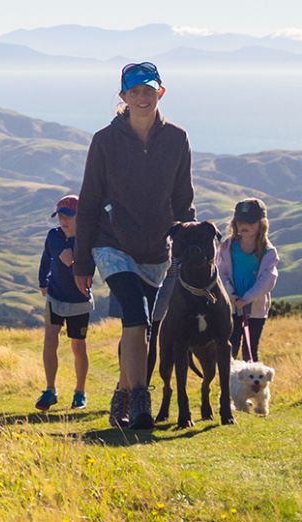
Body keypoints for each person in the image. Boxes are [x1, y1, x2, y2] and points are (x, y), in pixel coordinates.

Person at [73, 62, 196, 429]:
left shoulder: (177, 138)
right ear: (123, 96)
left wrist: (184, 246)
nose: (142, 98)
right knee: (135, 314)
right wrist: (83, 264)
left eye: (148, 90)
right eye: (134, 91)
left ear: (160, 93)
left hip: (157, 249)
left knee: (140, 329)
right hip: (111, 244)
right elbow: (90, 201)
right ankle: (142, 400)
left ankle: (121, 395)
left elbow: (183, 198)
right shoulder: (105, 141)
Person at [35, 195, 92, 411]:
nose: (63, 220)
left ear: (80, 217)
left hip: (79, 299)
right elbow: (45, 258)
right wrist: (43, 281)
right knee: (50, 341)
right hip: (55, 296)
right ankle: (50, 390)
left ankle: (80, 393)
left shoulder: (87, 240)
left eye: (68, 216)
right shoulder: (53, 236)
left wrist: (74, 262)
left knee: (78, 346)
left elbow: (92, 267)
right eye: (60, 216)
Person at [217, 198, 279, 361]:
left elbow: (267, 280)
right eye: (240, 221)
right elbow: (221, 273)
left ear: (261, 224)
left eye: (250, 222)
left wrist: (247, 299)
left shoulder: (268, 252)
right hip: (232, 305)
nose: (244, 226)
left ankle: (252, 385)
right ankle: (230, 384)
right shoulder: (227, 247)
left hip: (256, 308)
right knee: (231, 346)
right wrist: (232, 295)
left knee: (250, 349)